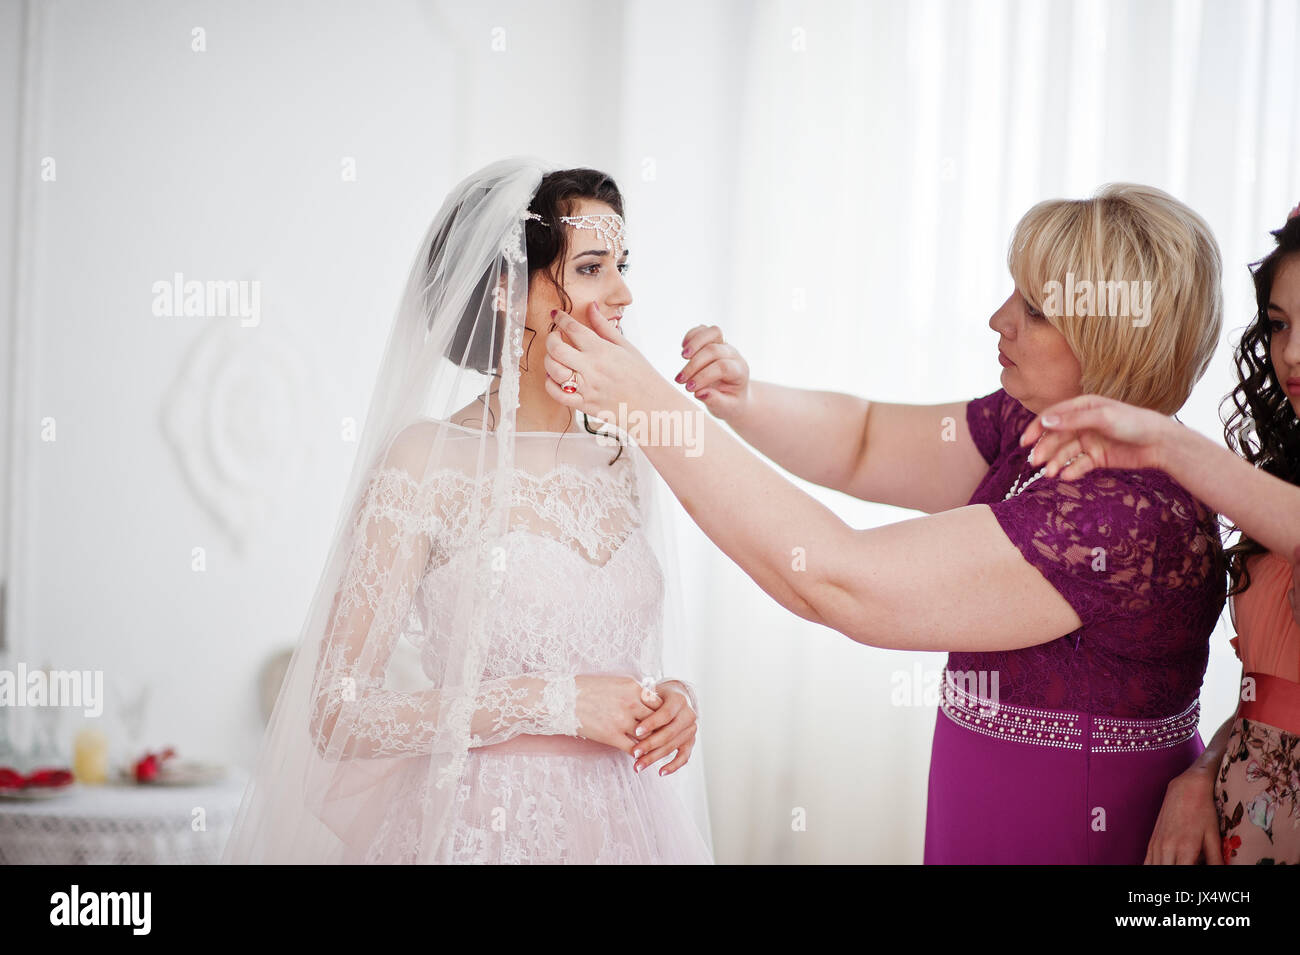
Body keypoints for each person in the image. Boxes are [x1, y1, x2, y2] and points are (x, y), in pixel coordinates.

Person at [542, 182, 1226, 863]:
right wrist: (743, 402)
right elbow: (864, 438)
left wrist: (650, 407)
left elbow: (839, 581)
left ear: (1113, 338)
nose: (998, 319)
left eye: (1035, 309)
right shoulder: (1039, 427)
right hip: (982, 814)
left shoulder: (1124, 517)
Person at [222, 158, 713, 864]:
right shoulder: (424, 462)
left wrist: (672, 703)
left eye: (623, 264)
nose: (625, 292)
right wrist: (556, 703)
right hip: (483, 829)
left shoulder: (624, 459)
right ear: (513, 291)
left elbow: (630, 661)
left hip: (629, 829)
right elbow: (337, 712)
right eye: (594, 267)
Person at [1023, 202, 1300, 865]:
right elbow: (1275, 693)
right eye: (1281, 324)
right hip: (1243, 829)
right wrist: (1202, 771)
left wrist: (1169, 445)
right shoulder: (1284, 478)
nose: (1291, 353)